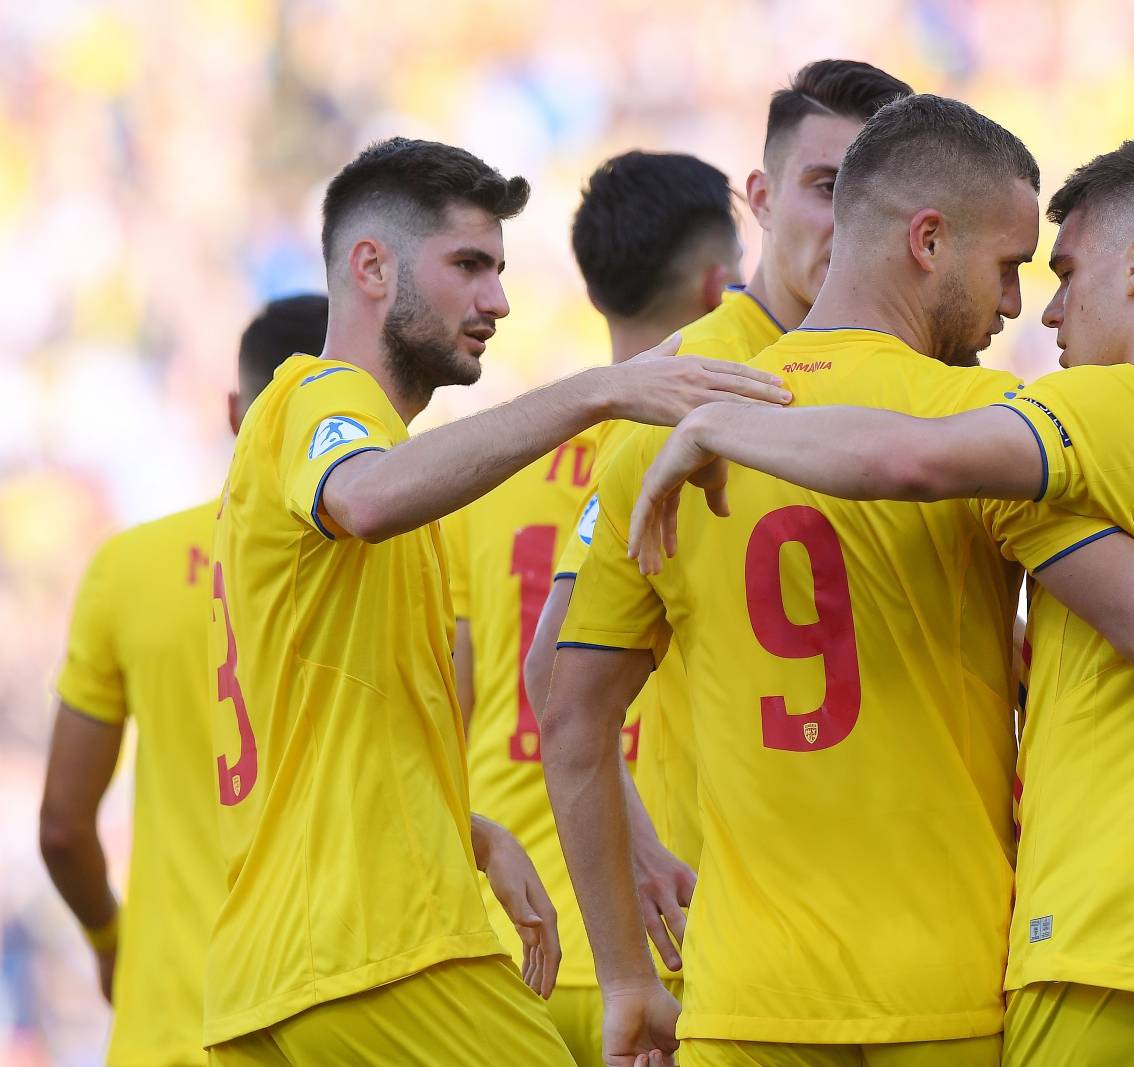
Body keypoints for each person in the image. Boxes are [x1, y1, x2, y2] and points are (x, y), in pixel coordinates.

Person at [543, 97, 1134, 1067]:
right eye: (1011, 267)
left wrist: (628, 977)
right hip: (952, 994)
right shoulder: (985, 418)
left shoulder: (654, 439)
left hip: (744, 998)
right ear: (928, 242)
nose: (1020, 306)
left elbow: (568, 716)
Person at [202, 136, 788, 1065]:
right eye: (469, 266)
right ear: (371, 267)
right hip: (380, 953)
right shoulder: (319, 398)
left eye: (502, 270)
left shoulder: (370, 477)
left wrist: (474, 834)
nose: (498, 302)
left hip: (271, 978)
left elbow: (313, 738)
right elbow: (365, 495)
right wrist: (604, 391)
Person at [524, 57, 912, 906]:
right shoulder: (686, 377)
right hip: (731, 916)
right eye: (824, 187)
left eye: (874, 196)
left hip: (907, 903)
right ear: (763, 201)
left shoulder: (927, 375)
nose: (849, 224)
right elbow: (554, 667)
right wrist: (638, 846)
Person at [441, 148, 746, 1067]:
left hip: (514, 947)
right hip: (676, 941)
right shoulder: (726, 453)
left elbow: (447, 712)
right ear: (718, 284)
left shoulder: (486, 469)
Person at [39, 294, 329, 1067]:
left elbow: (64, 826)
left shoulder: (129, 568)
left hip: (170, 1022)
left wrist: (110, 940)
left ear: (239, 411)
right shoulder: (405, 561)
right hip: (329, 1018)